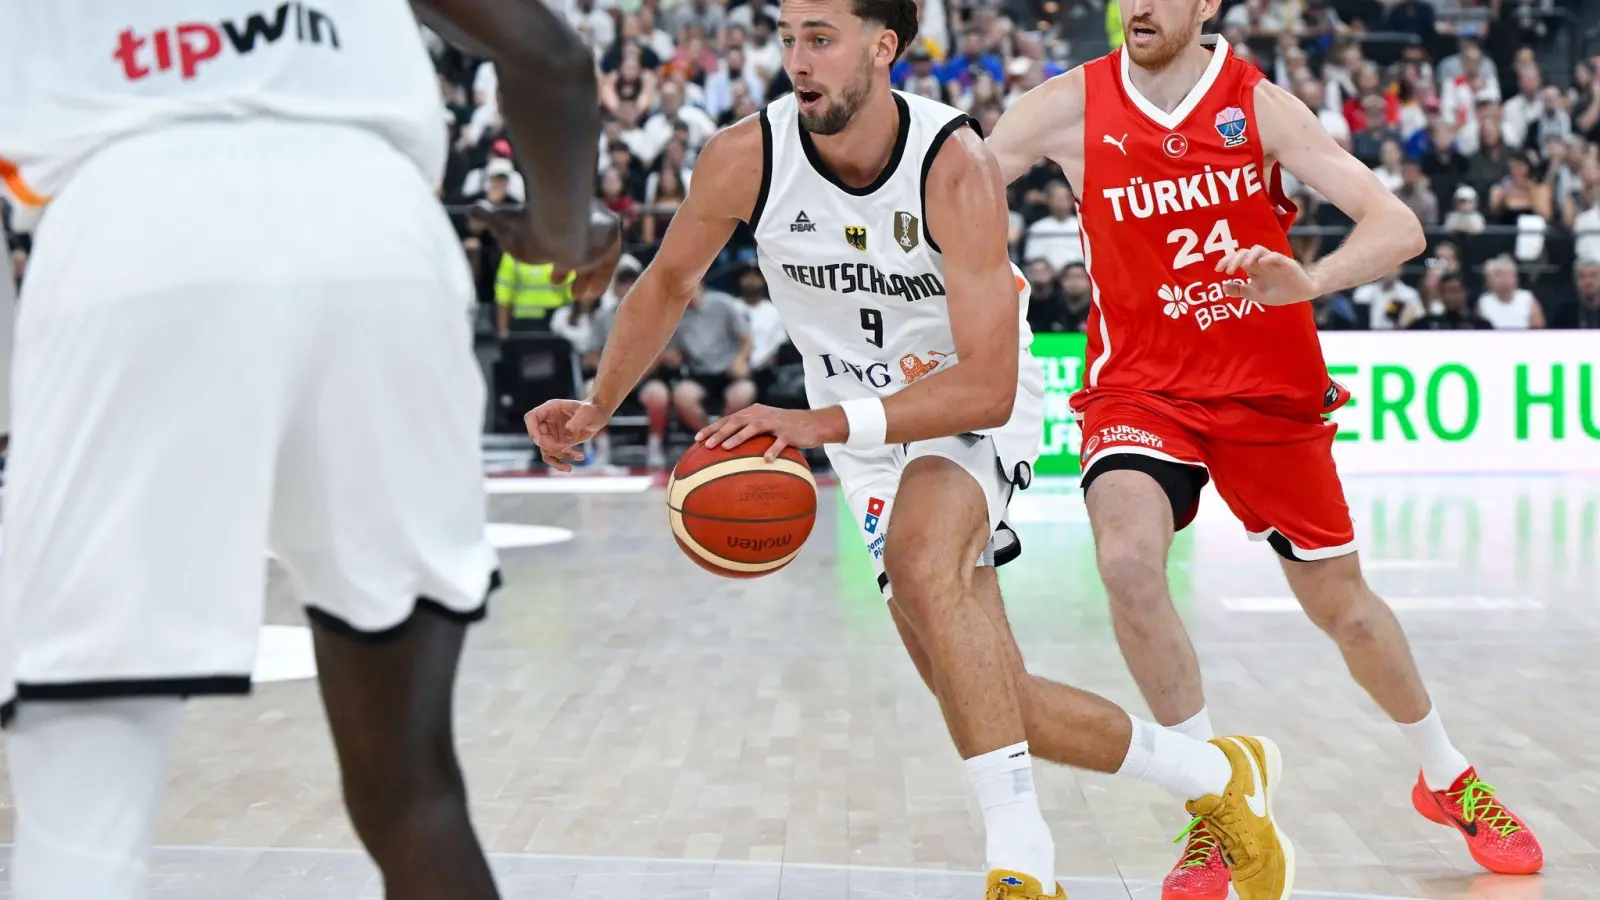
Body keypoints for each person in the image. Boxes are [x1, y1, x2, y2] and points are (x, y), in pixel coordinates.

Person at [524, 0, 1295, 897]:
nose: (797, 61)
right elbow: (668, 283)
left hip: (964, 398)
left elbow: (988, 386)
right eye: (787, 40)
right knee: (988, 694)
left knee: (929, 563)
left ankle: (1020, 865)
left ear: (882, 47)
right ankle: (1219, 778)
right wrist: (596, 403)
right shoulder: (746, 155)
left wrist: (817, 425)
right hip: (859, 432)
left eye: (820, 40)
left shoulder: (953, 165)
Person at [0, 1, 621, 898]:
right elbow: (553, 59)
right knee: (415, 791)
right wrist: (565, 231)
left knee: (84, 821)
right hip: (377, 233)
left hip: (130, 232)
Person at [986, 0, 1545, 897]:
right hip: (1142, 385)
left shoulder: (1260, 105)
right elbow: (952, 188)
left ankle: (1447, 777)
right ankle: (1218, 804)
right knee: (1128, 561)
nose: (1139, 6)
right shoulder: (1065, 105)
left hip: (1266, 393)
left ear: (1206, 3)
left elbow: (1399, 226)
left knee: (1347, 611)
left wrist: (1309, 281)